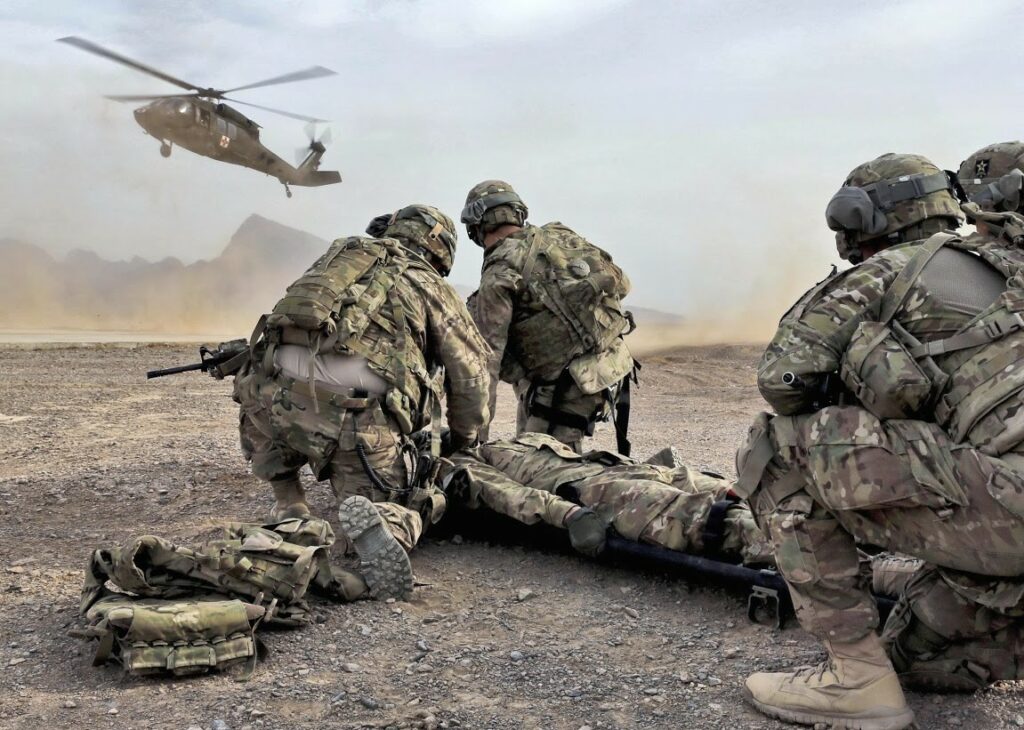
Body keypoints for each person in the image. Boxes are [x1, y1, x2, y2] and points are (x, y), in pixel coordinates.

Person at [734, 153, 1024, 729]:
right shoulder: (1011, 265)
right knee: (914, 650)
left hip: (1012, 511)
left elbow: (783, 381)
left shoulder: (896, 269)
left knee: (774, 448)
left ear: (865, 219)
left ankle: (856, 681)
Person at [232, 204, 491, 600]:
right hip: (352, 427)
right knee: (413, 496)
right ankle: (389, 524)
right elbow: (470, 375)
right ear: (440, 250)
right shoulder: (429, 284)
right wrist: (465, 441)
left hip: (270, 408)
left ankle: (290, 504)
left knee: (266, 385)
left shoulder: (340, 257)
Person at [460, 180, 635, 454]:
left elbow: (487, 363)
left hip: (563, 389)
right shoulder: (558, 234)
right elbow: (621, 283)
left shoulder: (500, 273)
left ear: (477, 226)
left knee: (543, 467)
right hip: (606, 364)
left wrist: (472, 439)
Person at [440, 432, 772, 565]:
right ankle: (790, 549)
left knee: (735, 492)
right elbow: (510, 494)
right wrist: (567, 515)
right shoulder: (462, 463)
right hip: (597, 492)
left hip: (624, 469)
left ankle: (796, 522)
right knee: (703, 521)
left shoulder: (517, 440)